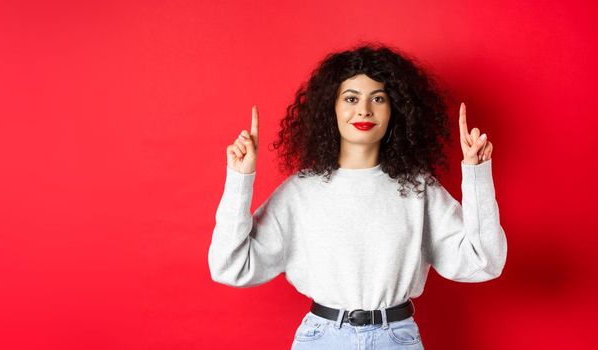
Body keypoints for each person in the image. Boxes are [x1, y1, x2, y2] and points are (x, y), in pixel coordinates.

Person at [207, 43, 508, 350]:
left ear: (395, 111)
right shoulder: (300, 192)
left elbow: (484, 262)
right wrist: (240, 179)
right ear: (331, 108)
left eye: (378, 98)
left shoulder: (419, 189)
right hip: (322, 339)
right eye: (351, 98)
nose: (364, 109)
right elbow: (230, 267)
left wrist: (476, 173)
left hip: (397, 339)